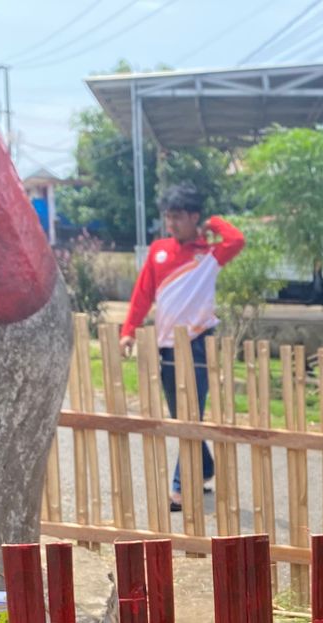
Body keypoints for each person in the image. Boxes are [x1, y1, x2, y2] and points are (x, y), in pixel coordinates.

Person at [120, 185, 245, 503]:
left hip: (199, 343)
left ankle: (179, 488)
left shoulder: (211, 254)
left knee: (191, 413)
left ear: (194, 217)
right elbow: (143, 292)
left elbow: (237, 240)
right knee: (180, 416)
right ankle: (203, 466)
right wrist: (129, 330)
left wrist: (213, 223)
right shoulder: (159, 250)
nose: (171, 224)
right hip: (166, 345)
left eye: (178, 217)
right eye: (168, 217)